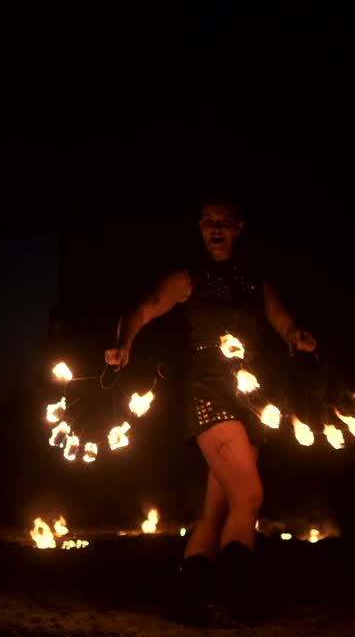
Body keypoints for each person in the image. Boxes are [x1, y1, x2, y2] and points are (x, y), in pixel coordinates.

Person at [105, 196, 315, 626]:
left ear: (239, 227)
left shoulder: (257, 280)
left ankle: (189, 599)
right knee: (250, 495)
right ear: (199, 228)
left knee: (217, 508)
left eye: (223, 222)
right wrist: (125, 342)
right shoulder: (189, 278)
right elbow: (143, 308)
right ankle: (237, 598)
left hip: (253, 397)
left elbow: (280, 318)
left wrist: (297, 335)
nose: (214, 228)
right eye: (206, 222)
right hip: (209, 393)